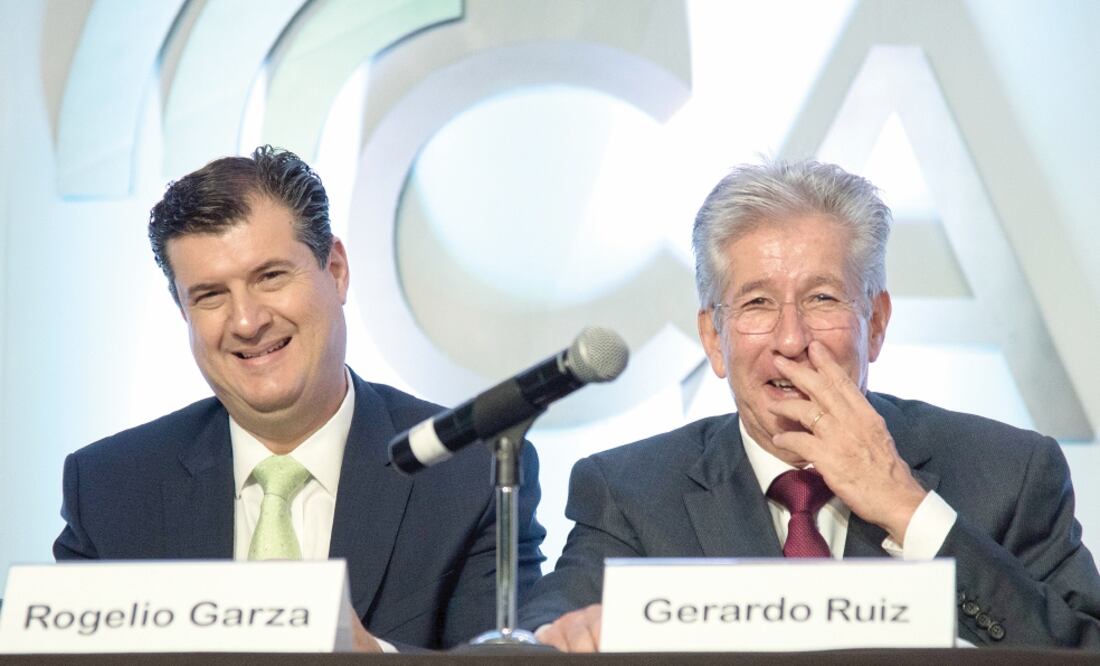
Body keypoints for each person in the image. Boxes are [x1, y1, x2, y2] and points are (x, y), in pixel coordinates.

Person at [520, 159, 1100, 650]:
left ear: (874, 323)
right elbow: (531, 637)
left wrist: (906, 506)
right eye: (756, 304)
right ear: (712, 338)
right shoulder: (632, 492)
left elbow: (1080, 650)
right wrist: (567, 638)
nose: (791, 338)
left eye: (822, 298)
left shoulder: (1011, 473)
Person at [53, 146, 546, 651]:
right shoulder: (109, 487)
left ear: (335, 269)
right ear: (183, 311)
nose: (246, 322)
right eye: (210, 295)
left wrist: (372, 657)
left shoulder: (468, 473)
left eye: (270, 277)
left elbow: (500, 661)